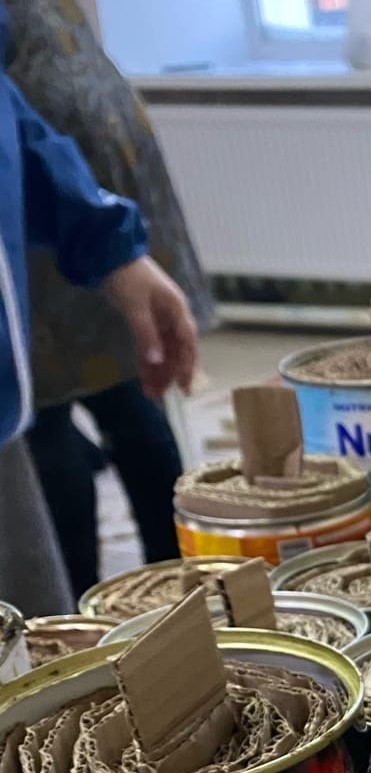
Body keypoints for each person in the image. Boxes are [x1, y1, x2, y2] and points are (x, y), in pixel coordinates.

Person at [8, 0, 212, 595]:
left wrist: (111, 245)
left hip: (83, 216)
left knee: (140, 418)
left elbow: (14, 120)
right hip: (31, 259)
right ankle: (73, 613)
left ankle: (177, 585)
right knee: (49, 451)